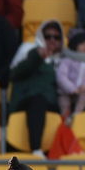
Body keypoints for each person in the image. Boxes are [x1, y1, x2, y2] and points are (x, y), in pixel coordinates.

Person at [8, 19, 62, 156]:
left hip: (52, 102)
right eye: (47, 36)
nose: (52, 40)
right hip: (25, 99)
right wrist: (36, 57)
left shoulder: (63, 59)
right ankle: (36, 148)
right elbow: (15, 73)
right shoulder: (28, 49)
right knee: (38, 101)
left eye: (56, 37)